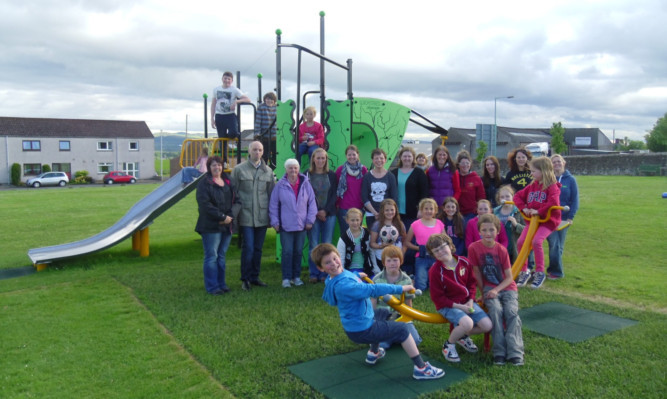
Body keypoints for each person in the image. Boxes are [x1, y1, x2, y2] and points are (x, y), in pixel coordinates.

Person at [311, 243, 445, 380]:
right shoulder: (344, 287)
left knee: (381, 313)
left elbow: (345, 275)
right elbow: (372, 290)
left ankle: (373, 353)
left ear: (339, 256)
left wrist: (356, 274)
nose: (333, 264)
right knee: (402, 329)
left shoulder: (334, 277)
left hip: (357, 324)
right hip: (362, 329)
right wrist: (400, 288)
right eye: (327, 263)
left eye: (334, 258)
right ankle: (421, 369)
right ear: (321, 268)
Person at [426, 233, 493, 363]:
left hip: (467, 302)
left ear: (450, 246)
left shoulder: (464, 262)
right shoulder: (435, 271)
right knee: (468, 323)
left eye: (442, 247)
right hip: (448, 306)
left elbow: (471, 284)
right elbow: (437, 298)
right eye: (436, 251)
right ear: (433, 255)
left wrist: (470, 301)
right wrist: (460, 307)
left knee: (487, 325)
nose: (440, 252)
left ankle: (462, 336)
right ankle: (449, 345)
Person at [468, 214, 524, 366]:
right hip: (489, 288)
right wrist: (483, 293)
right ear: (479, 231)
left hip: (506, 288)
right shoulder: (474, 248)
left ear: (497, 231)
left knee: (511, 313)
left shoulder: (501, 250)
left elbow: (509, 278)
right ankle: (499, 351)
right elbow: (477, 272)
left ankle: (515, 351)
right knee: (495, 312)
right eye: (484, 230)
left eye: (491, 230)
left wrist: (496, 291)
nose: (488, 233)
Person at [231, 141, 275, 291]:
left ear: (263, 152)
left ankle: (255, 277)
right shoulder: (238, 170)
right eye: (254, 149)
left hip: (262, 216)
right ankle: (245, 278)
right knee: (248, 247)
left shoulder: (268, 171)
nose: (257, 152)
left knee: (258, 249)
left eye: (260, 150)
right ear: (249, 151)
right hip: (246, 215)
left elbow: (271, 195)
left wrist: (272, 216)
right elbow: (233, 193)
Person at [514, 156, 561, 289]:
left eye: (534, 171)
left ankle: (539, 272)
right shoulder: (532, 186)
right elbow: (517, 196)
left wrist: (539, 211)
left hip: (547, 221)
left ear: (543, 171)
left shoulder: (552, 187)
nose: (531, 174)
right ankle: (524, 271)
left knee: (536, 241)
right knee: (521, 242)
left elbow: (553, 202)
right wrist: (524, 208)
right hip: (533, 221)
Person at [270, 159, 318, 288]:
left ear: (298, 169)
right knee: (287, 252)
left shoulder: (306, 184)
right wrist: (275, 221)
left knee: (298, 251)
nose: (293, 171)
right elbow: (273, 205)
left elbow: (312, 203)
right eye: (290, 168)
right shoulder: (280, 185)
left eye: (295, 168)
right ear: (286, 170)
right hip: (286, 225)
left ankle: (296, 277)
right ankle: (286, 278)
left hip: (302, 225)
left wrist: (310, 220)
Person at [194, 156, 236, 295]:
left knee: (222, 255)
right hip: (211, 226)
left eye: (219, 165)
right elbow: (205, 205)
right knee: (212, 256)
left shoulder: (228, 181)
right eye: (213, 165)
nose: (217, 167)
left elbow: (236, 200)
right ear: (209, 167)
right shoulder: (204, 184)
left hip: (227, 225)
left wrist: (229, 217)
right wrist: (222, 217)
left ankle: (221, 284)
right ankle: (212, 287)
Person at [371, 246, 422, 350]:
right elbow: (373, 302)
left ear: (401, 261)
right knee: (382, 345)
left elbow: (408, 301)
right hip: (383, 318)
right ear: (384, 262)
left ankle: (396, 334)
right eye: (388, 261)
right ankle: (393, 336)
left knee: (415, 341)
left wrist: (409, 318)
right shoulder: (377, 279)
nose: (392, 263)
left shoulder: (406, 280)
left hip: (400, 316)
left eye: (395, 260)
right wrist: (374, 321)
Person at [391, 146, 429, 276]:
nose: (407, 158)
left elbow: (424, 192)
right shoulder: (394, 172)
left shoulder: (418, 173)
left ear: (413, 158)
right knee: (399, 239)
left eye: (409, 156)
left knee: (410, 240)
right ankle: (397, 266)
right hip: (396, 213)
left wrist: (420, 209)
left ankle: (410, 267)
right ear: (400, 157)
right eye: (404, 156)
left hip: (413, 213)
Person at [305, 148, 338, 283]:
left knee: (327, 244)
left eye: (323, 158)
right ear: (313, 159)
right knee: (313, 245)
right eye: (318, 158)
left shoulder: (331, 175)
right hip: (312, 215)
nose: (320, 161)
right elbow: (305, 195)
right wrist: (316, 211)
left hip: (329, 214)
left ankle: (326, 273)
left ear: (326, 160)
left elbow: (335, 194)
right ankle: (314, 273)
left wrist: (325, 211)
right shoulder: (307, 174)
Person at [546, 154, 579, 280]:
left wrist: (571, 217)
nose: (556, 164)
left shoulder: (570, 180)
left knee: (559, 245)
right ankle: (555, 271)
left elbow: (575, 200)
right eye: (553, 162)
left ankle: (555, 271)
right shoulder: (548, 180)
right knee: (553, 243)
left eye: (558, 161)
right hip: (550, 218)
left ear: (563, 163)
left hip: (564, 219)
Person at [403, 198, 445, 291]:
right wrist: (418, 248)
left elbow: (445, 240)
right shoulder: (415, 224)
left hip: (436, 256)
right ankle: (416, 280)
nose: (428, 211)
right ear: (421, 210)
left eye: (431, 209)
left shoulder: (439, 223)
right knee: (421, 286)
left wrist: (440, 248)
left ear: (435, 211)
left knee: (437, 284)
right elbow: (407, 242)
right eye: (426, 209)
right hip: (421, 257)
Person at [211, 71, 251, 163]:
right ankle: (224, 161)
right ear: (222, 79)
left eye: (229, 79)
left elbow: (247, 99)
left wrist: (236, 102)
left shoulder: (234, 90)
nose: (227, 80)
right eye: (225, 78)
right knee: (222, 139)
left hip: (230, 115)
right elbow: (213, 104)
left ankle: (232, 137)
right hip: (219, 116)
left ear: (232, 80)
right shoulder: (216, 89)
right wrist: (212, 119)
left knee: (233, 132)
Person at [361, 148, 397, 228]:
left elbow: (393, 197)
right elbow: (364, 196)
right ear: (372, 160)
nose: (379, 160)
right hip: (371, 214)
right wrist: (375, 213)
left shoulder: (390, 176)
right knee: (372, 237)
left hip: (387, 214)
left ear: (385, 160)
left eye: (381, 158)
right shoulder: (367, 176)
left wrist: (385, 212)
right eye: (376, 158)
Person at [336, 145, 368, 233]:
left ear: (357, 155)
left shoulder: (363, 170)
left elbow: (366, 188)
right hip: (344, 208)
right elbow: (336, 189)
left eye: (354, 154)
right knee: (345, 234)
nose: (352, 157)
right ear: (346, 156)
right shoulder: (340, 170)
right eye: (349, 155)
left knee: (357, 234)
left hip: (359, 208)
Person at [336, 208, 376, 276]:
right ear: (347, 220)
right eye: (352, 220)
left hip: (366, 268)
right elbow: (341, 258)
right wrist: (341, 274)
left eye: (357, 220)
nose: (355, 223)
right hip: (351, 270)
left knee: (375, 284)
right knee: (359, 285)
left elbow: (371, 252)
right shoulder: (343, 238)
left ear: (361, 219)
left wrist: (375, 268)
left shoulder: (367, 234)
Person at [369, 199, 406, 270]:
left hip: (396, 258)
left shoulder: (400, 224)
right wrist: (381, 246)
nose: (390, 212)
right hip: (382, 257)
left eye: (392, 210)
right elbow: (372, 243)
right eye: (387, 210)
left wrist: (401, 253)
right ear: (382, 211)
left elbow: (404, 242)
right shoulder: (377, 225)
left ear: (396, 210)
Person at [493, 185, 527, 264]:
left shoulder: (519, 212)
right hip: (498, 248)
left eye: (507, 196)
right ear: (499, 199)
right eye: (502, 197)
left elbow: (527, 231)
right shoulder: (494, 212)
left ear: (513, 197)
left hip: (514, 248)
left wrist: (516, 225)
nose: (505, 199)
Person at [453, 150, 485, 223]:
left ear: (470, 164)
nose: (465, 165)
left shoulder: (476, 178)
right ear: (458, 165)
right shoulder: (455, 177)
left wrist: (479, 210)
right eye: (462, 163)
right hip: (456, 212)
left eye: (467, 163)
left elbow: (481, 196)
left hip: (471, 212)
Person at [254, 92, 277, 165]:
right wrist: (257, 134)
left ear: (274, 100)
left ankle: (274, 168)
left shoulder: (277, 107)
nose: (269, 101)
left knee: (275, 154)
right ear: (265, 100)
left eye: (271, 99)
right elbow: (258, 121)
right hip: (264, 136)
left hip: (275, 136)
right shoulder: (261, 107)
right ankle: (263, 168)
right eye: (267, 99)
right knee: (264, 155)